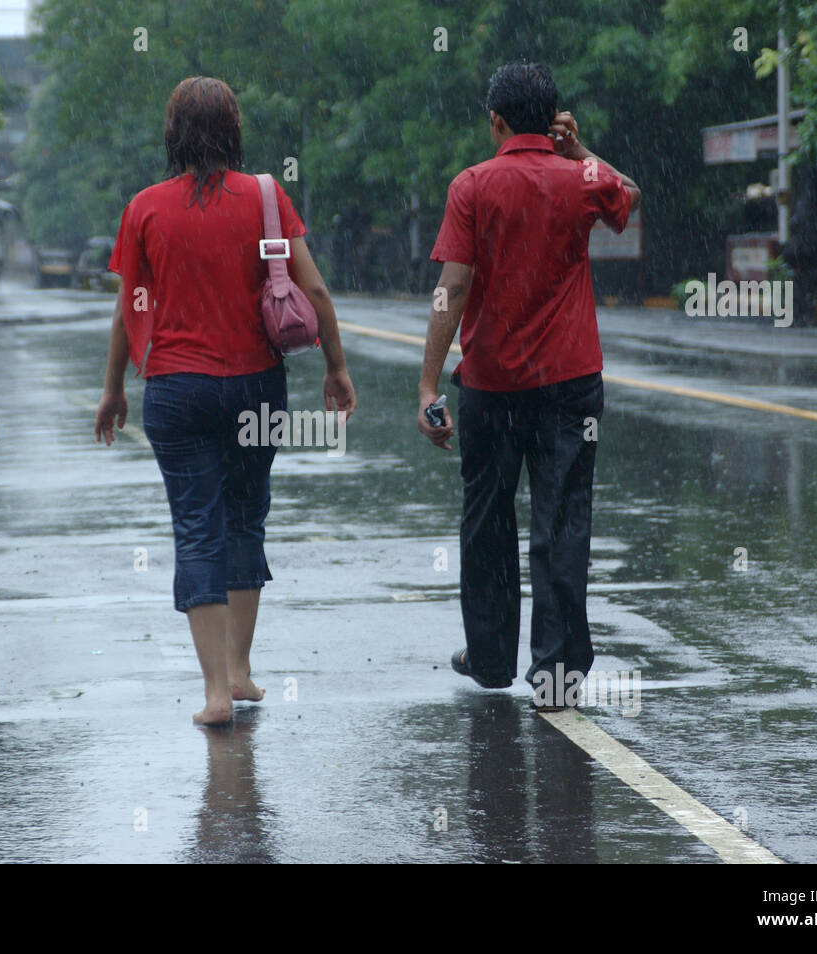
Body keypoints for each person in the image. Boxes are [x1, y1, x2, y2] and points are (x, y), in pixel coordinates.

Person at [94, 76, 356, 726]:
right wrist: (336, 366)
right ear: (234, 129)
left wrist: (113, 388)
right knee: (244, 519)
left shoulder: (147, 207)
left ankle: (215, 692)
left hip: (176, 392)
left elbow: (130, 307)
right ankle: (242, 672)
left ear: (172, 133)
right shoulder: (264, 197)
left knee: (197, 528)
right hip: (255, 387)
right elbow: (314, 291)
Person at [416, 62, 640, 712]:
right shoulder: (579, 179)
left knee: (488, 520)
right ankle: (558, 672)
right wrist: (580, 151)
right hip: (571, 386)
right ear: (553, 121)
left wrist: (429, 382)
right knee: (562, 519)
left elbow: (450, 288)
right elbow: (627, 192)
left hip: (490, 385)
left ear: (497, 121)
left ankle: (489, 658)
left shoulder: (473, 186)